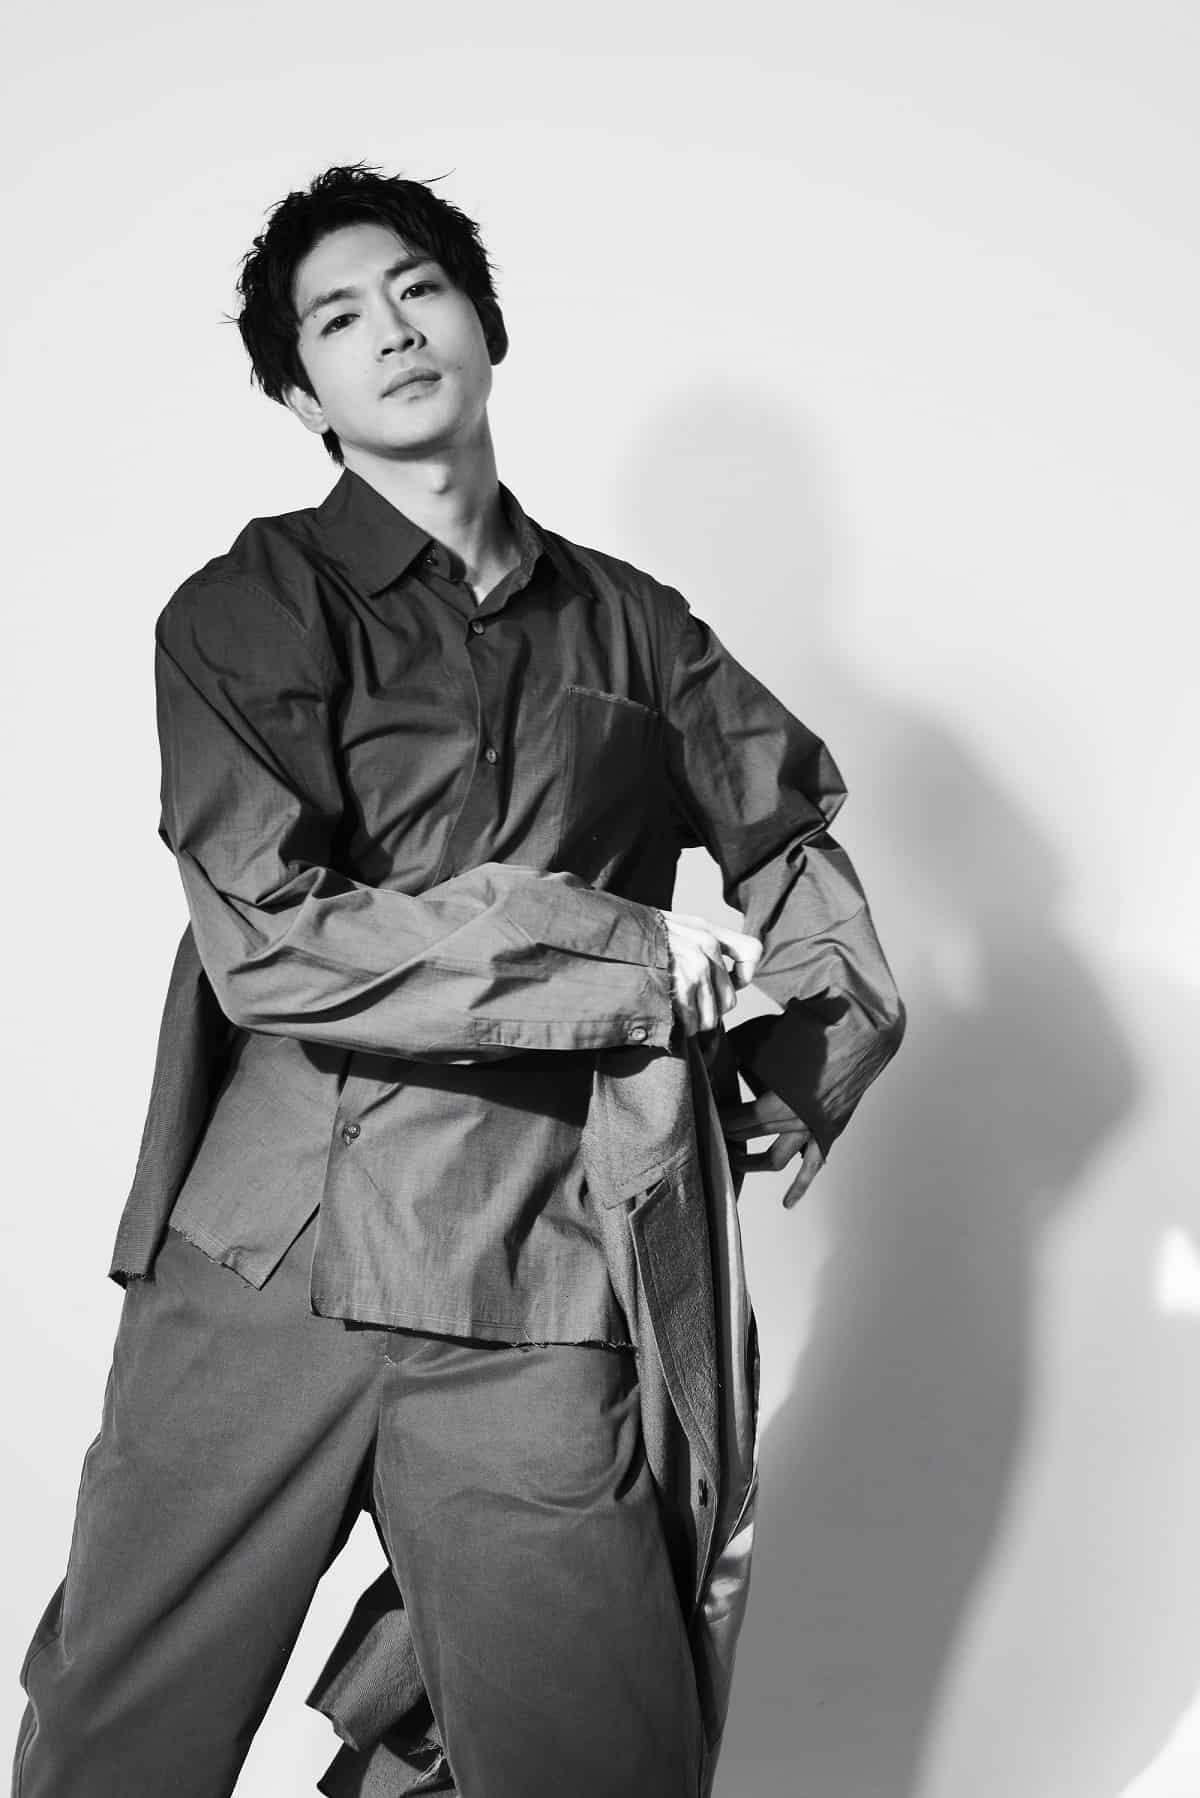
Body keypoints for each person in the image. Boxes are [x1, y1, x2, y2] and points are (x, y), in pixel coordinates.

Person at [12, 163, 906, 1798]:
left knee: (598, 1756)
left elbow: (790, 840)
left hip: (535, 1273)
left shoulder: (638, 629)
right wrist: (625, 950)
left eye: (419, 288)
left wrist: (806, 1051)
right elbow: (275, 936)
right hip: (270, 1261)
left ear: (485, 322)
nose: (393, 330)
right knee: (116, 1734)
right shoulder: (246, 611)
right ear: (303, 395)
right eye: (337, 319)